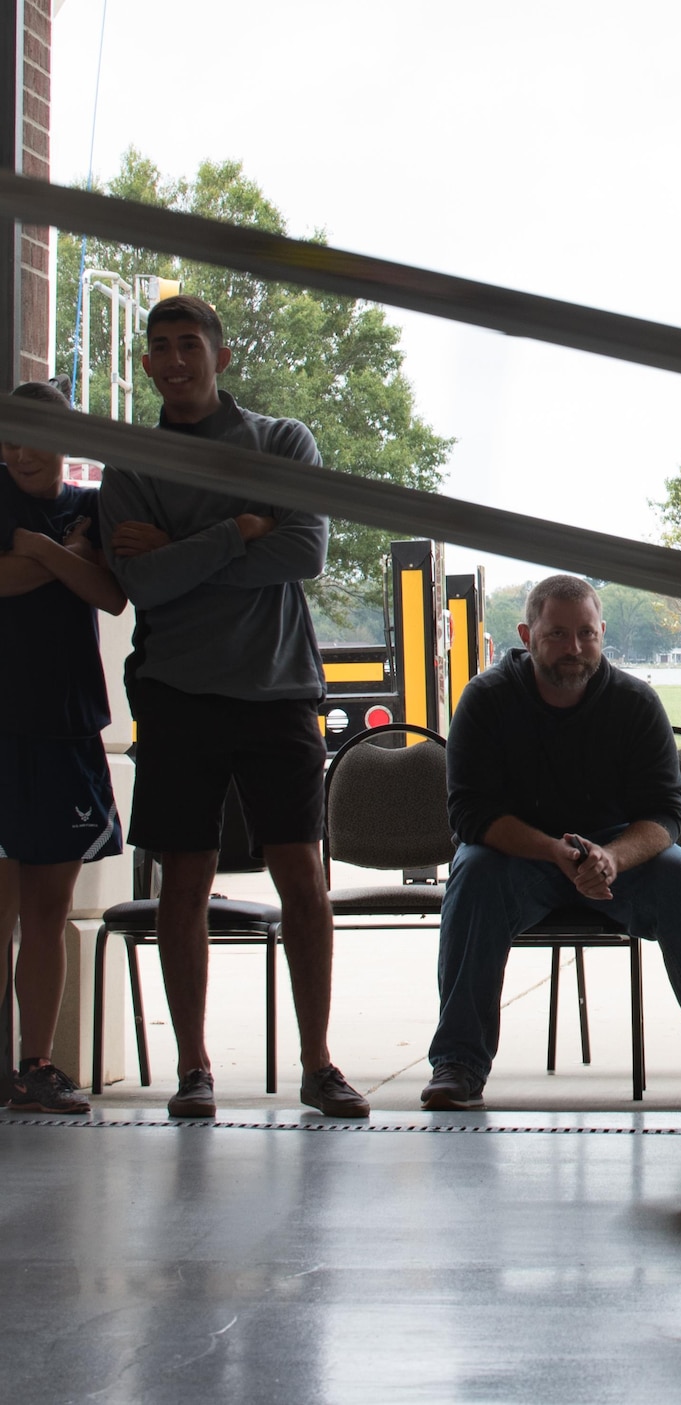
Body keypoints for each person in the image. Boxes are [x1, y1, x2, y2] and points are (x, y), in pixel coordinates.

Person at [98, 294, 368, 1119]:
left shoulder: (283, 441)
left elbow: (305, 550)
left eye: (190, 344)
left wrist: (185, 551)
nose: (175, 359)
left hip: (278, 691)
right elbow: (136, 584)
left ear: (220, 356)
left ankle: (318, 1064)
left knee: (303, 883)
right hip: (178, 697)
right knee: (185, 882)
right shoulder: (131, 462)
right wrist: (236, 530)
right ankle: (193, 1069)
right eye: (161, 348)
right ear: (145, 365)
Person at [421, 574, 681, 1111]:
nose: (574, 649)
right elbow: (470, 815)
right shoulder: (486, 700)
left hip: (617, 860)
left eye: (586, 634)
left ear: (603, 632)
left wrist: (612, 857)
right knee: (472, 876)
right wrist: (554, 853)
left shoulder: (635, 703)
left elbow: (665, 814)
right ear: (526, 633)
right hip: (517, 858)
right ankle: (458, 1064)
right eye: (557, 634)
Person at [0, 380, 127, 1114]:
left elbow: (109, 593)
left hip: (67, 726)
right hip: (5, 726)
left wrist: (43, 549)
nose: (18, 452)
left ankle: (38, 1065)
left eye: (32, 437)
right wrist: (62, 562)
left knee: (48, 909)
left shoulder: (91, 505)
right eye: (8, 437)